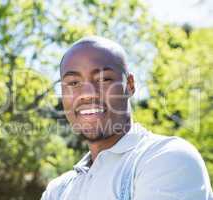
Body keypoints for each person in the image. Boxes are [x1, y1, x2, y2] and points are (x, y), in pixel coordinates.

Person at [41, 36, 213, 200]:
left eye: (103, 79)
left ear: (129, 85)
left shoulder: (168, 159)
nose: (87, 94)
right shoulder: (58, 190)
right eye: (73, 83)